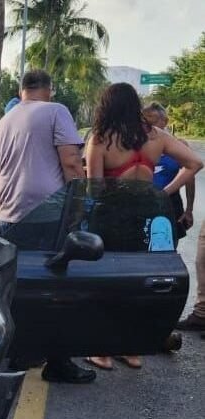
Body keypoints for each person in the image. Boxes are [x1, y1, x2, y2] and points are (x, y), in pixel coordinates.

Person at [0, 69, 95, 383]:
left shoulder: (1, 125)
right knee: (59, 290)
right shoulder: (55, 111)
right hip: (48, 215)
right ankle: (59, 362)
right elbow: (72, 163)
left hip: (10, 216)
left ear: (21, 91)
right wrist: (79, 207)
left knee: (17, 290)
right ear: (49, 89)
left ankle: (21, 352)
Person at [84, 84, 203, 369]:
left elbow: (93, 189)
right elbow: (195, 162)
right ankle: (131, 349)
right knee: (137, 280)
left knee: (107, 281)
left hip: (112, 215)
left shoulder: (101, 139)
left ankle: (101, 350)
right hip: (146, 216)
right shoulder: (156, 136)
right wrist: (165, 192)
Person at [142, 102, 195, 241]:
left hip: (170, 203)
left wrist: (189, 210)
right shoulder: (137, 144)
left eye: (154, 121)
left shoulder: (179, 145)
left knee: (169, 246)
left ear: (165, 121)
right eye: (146, 120)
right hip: (142, 202)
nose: (149, 125)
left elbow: (190, 177)